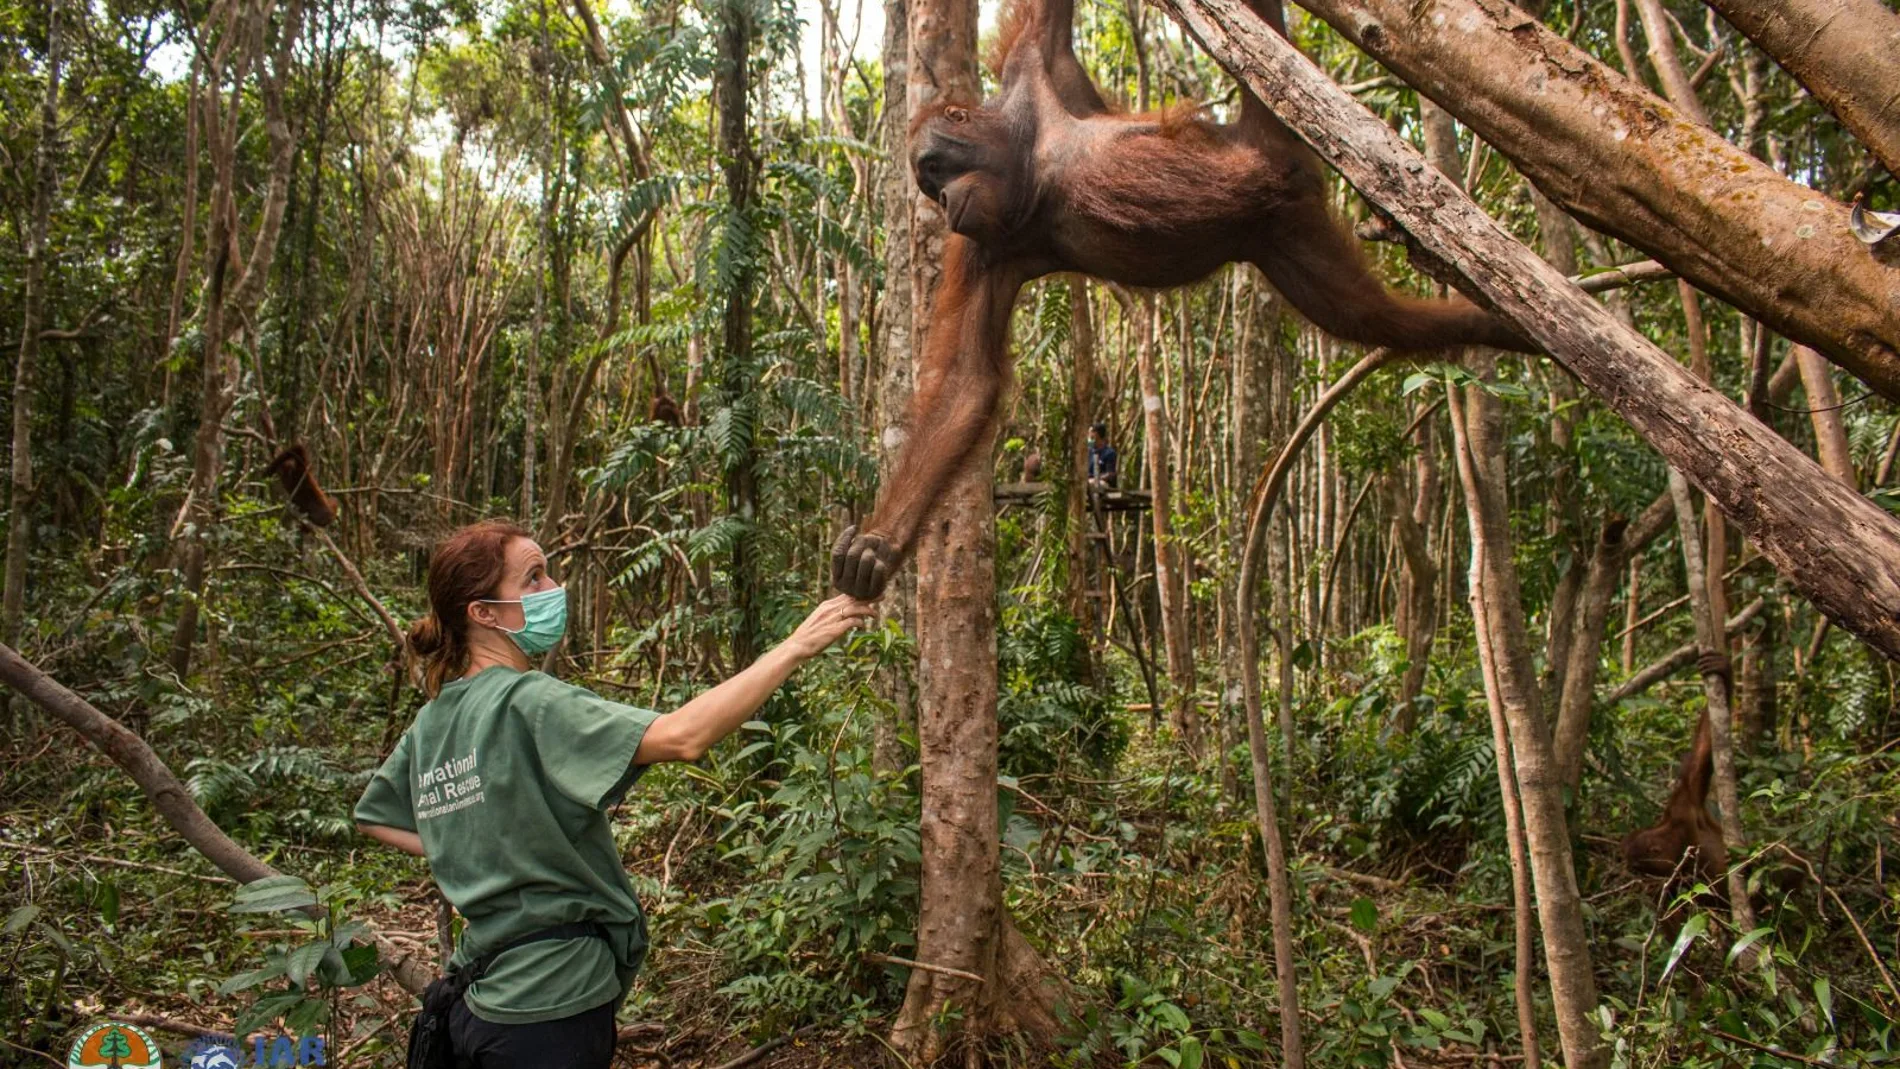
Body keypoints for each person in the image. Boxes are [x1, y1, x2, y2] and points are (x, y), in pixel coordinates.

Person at [354, 520, 876, 1069]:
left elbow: (375, 816)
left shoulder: (433, 720)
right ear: (484, 613)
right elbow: (683, 736)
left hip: (477, 1004)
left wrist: (466, 843)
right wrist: (796, 646)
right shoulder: (529, 701)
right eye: (532, 579)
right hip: (550, 1002)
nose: (553, 587)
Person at [1087, 421, 1118, 490]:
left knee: (1092, 484)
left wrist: (1095, 478)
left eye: (1090, 433)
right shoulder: (1088, 452)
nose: (1088, 435)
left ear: (1096, 435)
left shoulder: (1109, 453)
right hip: (1088, 481)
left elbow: (1110, 474)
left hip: (1103, 484)